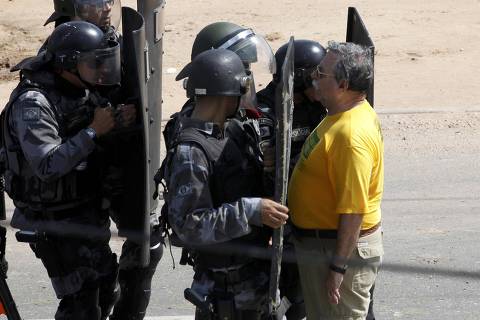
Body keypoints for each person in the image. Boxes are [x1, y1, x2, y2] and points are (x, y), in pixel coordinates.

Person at [1, 21, 131, 320]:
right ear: (67, 64)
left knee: (105, 284)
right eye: (92, 63)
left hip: (83, 210)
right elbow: (47, 164)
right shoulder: (33, 103)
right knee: (80, 304)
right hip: (51, 219)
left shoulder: (80, 89)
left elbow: (83, 123)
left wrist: (116, 121)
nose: (100, 71)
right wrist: (94, 132)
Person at [43, 3, 165, 319]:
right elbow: (51, 129)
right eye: (94, 2)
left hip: (116, 164)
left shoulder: (117, 41)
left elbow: (133, 89)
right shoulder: (57, 54)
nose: (106, 7)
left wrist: (128, 113)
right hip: (73, 181)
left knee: (147, 245)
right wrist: (95, 125)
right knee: (89, 289)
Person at [161, 48, 289, 319]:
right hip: (226, 292)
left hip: (255, 280)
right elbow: (187, 226)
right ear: (226, 93)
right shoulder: (191, 151)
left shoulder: (232, 131)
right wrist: (251, 211)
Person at [288, 41, 384, 319]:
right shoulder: (343, 113)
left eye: (321, 73)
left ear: (342, 85)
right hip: (325, 246)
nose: (314, 78)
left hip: (335, 252)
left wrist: (338, 269)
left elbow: (353, 211)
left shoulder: (351, 137)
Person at [256, 39, 327, 320]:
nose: (320, 83)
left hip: (305, 217)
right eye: (314, 77)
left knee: (300, 298)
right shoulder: (263, 110)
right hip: (271, 218)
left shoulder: (316, 107)